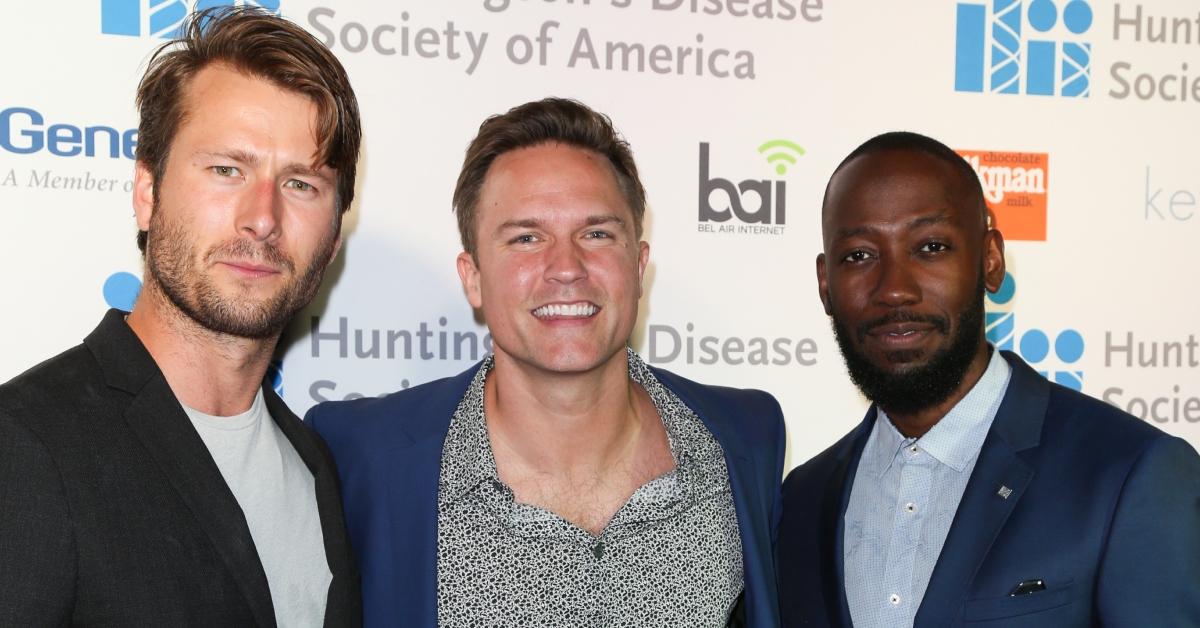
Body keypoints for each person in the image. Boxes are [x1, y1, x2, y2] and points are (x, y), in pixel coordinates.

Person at [308, 98, 785, 627]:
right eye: (526, 238)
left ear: (639, 263)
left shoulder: (744, 438)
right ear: (473, 277)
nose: (566, 268)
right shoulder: (362, 458)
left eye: (597, 233)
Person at [0, 7, 363, 626]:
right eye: (227, 169)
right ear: (148, 194)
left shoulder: (314, 463)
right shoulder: (25, 446)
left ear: (332, 237)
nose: (263, 217)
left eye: (301, 183)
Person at [776, 131, 1200, 627]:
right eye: (859, 256)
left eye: (930, 247)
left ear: (991, 261)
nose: (894, 290)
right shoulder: (801, 501)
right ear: (826, 285)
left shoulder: (1129, 475)